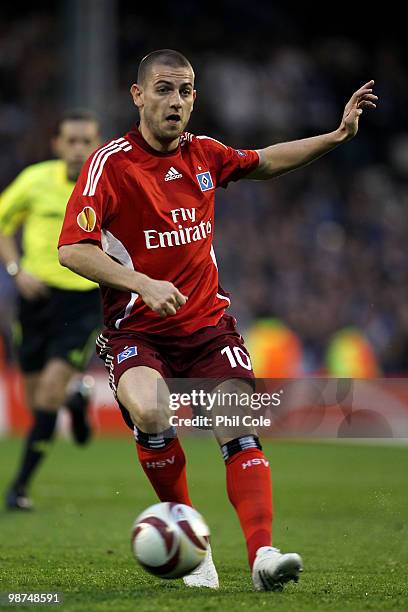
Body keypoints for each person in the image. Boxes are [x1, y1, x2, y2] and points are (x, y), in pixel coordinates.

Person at [58, 50, 377, 592]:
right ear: (138, 96)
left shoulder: (205, 155)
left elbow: (267, 160)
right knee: (150, 410)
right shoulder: (109, 165)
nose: (175, 101)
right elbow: (71, 250)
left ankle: (262, 555)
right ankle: (191, 543)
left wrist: (336, 136)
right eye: (163, 90)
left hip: (208, 325)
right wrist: (141, 283)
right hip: (136, 328)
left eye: (185, 91)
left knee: (236, 420)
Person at [0, 110, 103, 511]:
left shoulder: (109, 185)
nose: (78, 149)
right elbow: (3, 223)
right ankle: (76, 400)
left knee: (46, 391)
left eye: (86, 142)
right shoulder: (35, 180)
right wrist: (15, 269)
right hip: (35, 297)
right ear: (57, 144)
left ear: (97, 145)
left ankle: (20, 486)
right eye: (71, 141)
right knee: (34, 398)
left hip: (82, 300)